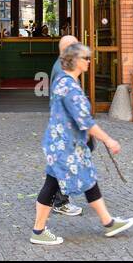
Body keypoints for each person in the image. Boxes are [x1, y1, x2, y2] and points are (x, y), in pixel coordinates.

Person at [31, 42, 133, 245]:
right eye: (86, 58)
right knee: (53, 185)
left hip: (63, 145)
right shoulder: (70, 87)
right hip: (66, 148)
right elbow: (85, 121)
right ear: (75, 61)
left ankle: (108, 221)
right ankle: (38, 231)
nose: (89, 61)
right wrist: (108, 140)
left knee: (85, 180)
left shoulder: (62, 80)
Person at [47, 35, 85, 216]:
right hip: (66, 127)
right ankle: (60, 201)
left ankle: (56, 200)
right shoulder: (62, 70)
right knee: (64, 164)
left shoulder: (63, 66)